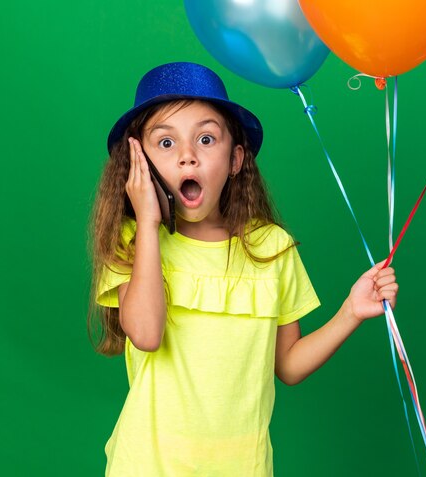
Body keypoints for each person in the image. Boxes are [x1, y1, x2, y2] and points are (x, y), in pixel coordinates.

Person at [87, 62, 399, 477]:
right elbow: (144, 334)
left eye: (205, 138)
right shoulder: (134, 242)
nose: (187, 157)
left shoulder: (271, 247)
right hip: (147, 465)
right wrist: (147, 221)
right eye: (165, 143)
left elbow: (287, 365)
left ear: (235, 159)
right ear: (137, 162)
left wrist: (351, 312)